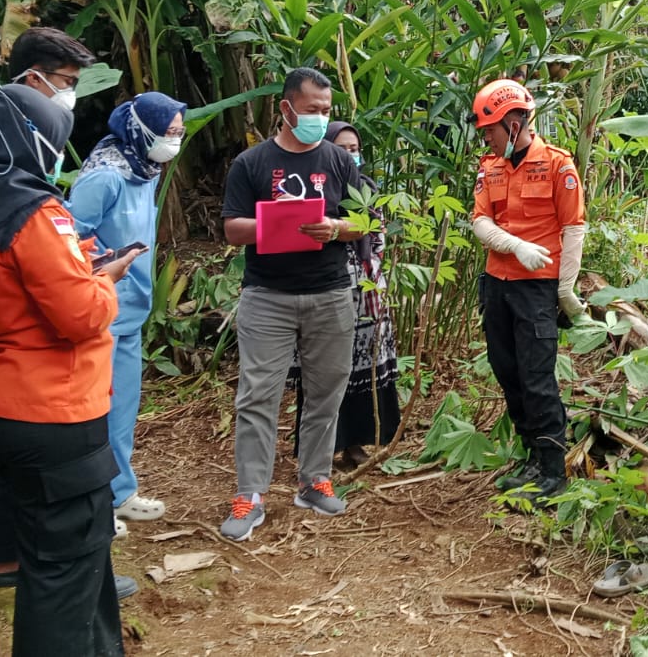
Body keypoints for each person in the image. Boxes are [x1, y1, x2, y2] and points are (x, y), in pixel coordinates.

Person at [0, 77, 142, 657]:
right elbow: (81, 316)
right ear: (30, 140)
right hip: (52, 410)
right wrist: (106, 280)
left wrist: (79, 261)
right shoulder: (35, 213)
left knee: (60, 557)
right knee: (65, 571)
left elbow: (15, 287)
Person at [219, 67, 365, 541]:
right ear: (286, 109)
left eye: (327, 110)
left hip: (330, 292)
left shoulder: (339, 161)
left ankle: (314, 480)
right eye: (311, 109)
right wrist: (281, 224)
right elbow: (232, 228)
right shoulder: (252, 163)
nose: (320, 117)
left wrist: (336, 228)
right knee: (257, 395)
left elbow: (365, 220)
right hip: (268, 296)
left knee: (327, 390)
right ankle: (250, 494)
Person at [67, 92, 188, 531]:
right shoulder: (106, 176)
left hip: (132, 308)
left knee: (121, 411)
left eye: (179, 132)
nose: (174, 141)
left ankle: (119, 493)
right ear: (142, 130)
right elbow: (68, 240)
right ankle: (90, 503)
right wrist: (103, 270)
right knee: (93, 413)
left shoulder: (145, 170)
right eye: (168, 132)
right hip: (100, 310)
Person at [469, 78, 587, 504]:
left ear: (514, 123)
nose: (486, 138)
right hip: (496, 284)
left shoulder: (557, 165)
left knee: (536, 378)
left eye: (490, 130)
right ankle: (533, 457)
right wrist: (514, 245)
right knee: (508, 372)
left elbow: (573, 228)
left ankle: (553, 469)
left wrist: (566, 289)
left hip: (536, 289)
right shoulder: (490, 167)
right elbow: (480, 221)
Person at [290, 121, 401, 468]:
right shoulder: (310, 189)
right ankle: (322, 449)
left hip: (367, 290)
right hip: (325, 288)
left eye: (354, 149)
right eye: (341, 149)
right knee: (324, 371)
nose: (350, 155)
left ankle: (357, 443)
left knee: (365, 367)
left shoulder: (367, 190)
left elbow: (378, 237)